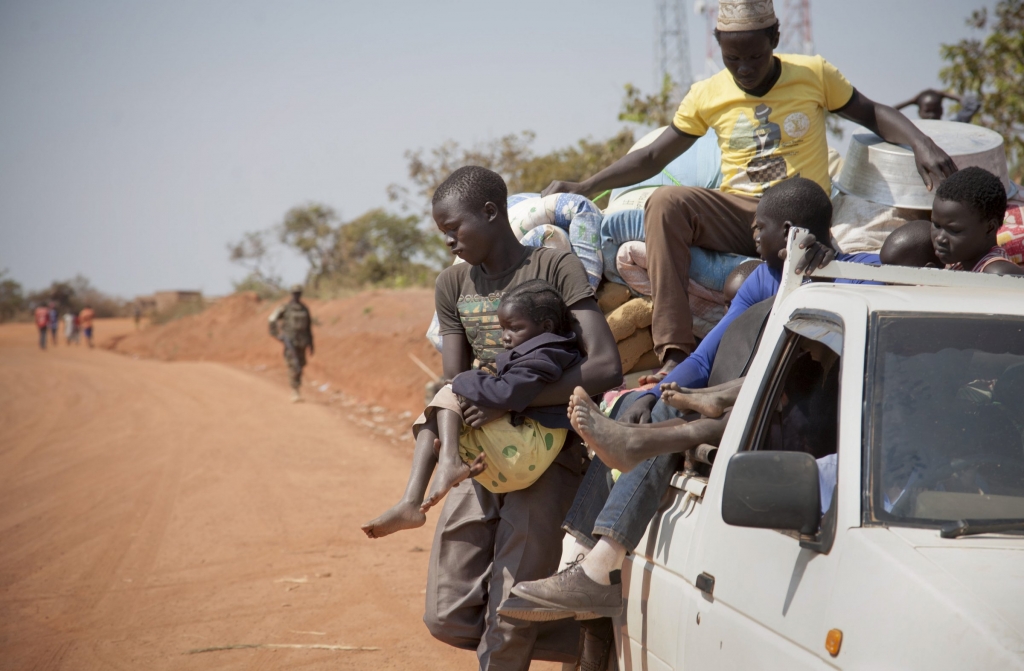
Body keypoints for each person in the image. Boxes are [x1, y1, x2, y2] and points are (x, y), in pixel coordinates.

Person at [507, 176, 882, 622]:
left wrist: (821, 273)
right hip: (748, 405)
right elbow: (707, 357)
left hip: (804, 418)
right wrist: (648, 391)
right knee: (636, 407)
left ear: (788, 231)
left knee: (663, 412)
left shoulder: (857, 270)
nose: (753, 236)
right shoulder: (765, 278)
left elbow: (907, 281)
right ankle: (580, 560)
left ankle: (597, 569)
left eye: (759, 229)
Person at [540, 0, 955, 383]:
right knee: (665, 202)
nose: (744, 68)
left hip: (799, 210)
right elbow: (652, 157)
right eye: (732, 58)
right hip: (741, 211)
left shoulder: (813, 74)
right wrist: (585, 186)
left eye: (755, 56)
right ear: (718, 45)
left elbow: (873, 112)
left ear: (774, 39)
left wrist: (923, 144)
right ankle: (673, 351)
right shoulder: (707, 94)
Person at [368, 166, 621, 669]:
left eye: (453, 227)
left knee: (509, 614)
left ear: (490, 212)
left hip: (546, 454)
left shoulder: (554, 267)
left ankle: (523, 638)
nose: (447, 241)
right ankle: (588, 638)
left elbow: (605, 365)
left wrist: (515, 400)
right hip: (476, 452)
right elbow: (455, 378)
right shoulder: (452, 283)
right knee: (446, 614)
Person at [409, 280, 583, 516]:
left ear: (547, 326)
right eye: (502, 329)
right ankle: (452, 460)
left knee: (449, 394)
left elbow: (505, 392)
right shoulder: (549, 353)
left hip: (527, 451)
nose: (505, 338)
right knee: (447, 417)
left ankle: (444, 467)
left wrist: (463, 379)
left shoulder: (542, 356)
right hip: (518, 460)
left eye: (514, 328)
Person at [932, 167, 1024, 275]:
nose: (940, 238)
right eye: (936, 225)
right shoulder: (962, 264)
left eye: (954, 230)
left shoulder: (997, 274)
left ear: (990, 228)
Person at [268, 285, 314, 402]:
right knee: (293, 365)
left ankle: (297, 387)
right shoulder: (285, 307)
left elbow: (308, 327)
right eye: (295, 293)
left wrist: (311, 344)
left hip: (302, 342)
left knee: (301, 366)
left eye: (298, 293)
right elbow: (272, 319)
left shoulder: (304, 308)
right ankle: (294, 390)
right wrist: (277, 335)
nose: (297, 295)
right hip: (290, 343)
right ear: (291, 294)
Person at [895, 88, 981, 123]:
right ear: (919, 112)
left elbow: (973, 105)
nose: (932, 115)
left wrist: (945, 94)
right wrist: (911, 101)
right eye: (927, 111)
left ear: (942, 110)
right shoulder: (912, 132)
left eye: (935, 110)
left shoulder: (953, 128)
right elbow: (883, 117)